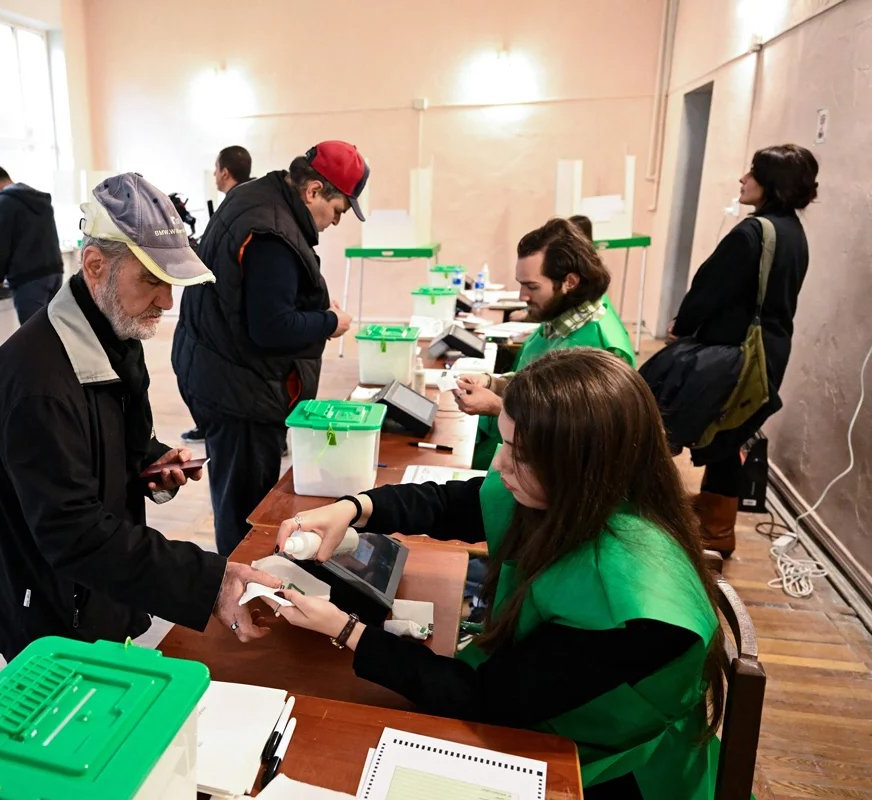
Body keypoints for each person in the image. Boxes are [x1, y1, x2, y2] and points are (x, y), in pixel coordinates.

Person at [269, 349, 725, 799]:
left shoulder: (634, 609)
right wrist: (354, 507)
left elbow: (485, 700)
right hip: (535, 704)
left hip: (606, 766)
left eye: (519, 453)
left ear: (582, 465)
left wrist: (345, 629)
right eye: (505, 442)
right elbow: (453, 504)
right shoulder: (579, 491)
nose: (500, 465)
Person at [0, 172, 280, 662]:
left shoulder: (113, 333)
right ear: (94, 265)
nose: (167, 301)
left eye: (169, 282)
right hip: (42, 606)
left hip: (92, 589)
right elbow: (72, 532)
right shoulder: (38, 381)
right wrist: (211, 582)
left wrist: (146, 460)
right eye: (152, 280)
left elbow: (100, 434)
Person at [172, 141, 363, 556]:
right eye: (337, 211)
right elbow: (272, 327)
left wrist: (311, 306)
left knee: (236, 496)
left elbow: (261, 300)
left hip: (221, 372)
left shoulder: (259, 197)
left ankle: (238, 583)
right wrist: (331, 322)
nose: (334, 222)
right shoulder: (272, 233)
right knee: (245, 509)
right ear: (313, 191)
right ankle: (238, 596)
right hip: (240, 390)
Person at [669, 144, 817, 555]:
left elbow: (710, 288)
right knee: (729, 434)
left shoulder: (753, 233)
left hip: (735, 352)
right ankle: (715, 515)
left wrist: (681, 327)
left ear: (773, 183)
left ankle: (715, 530)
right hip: (769, 351)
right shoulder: (793, 232)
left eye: (752, 172)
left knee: (667, 414)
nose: (742, 178)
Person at [455, 218, 634, 468]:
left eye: (531, 287)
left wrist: (498, 407)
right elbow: (531, 384)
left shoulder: (603, 348)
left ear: (569, 282)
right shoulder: (558, 318)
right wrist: (492, 382)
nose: (522, 296)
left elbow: (577, 437)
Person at [182, 145, 256, 444]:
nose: (214, 174)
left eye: (216, 169)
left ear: (225, 172)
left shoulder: (239, 208)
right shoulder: (245, 206)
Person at [0, 164, 63, 324]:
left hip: (29, 279)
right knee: (53, 331)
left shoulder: (3, 201)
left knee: (31, 336)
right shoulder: (39, 199)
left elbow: (0, 244)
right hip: (54, 273)